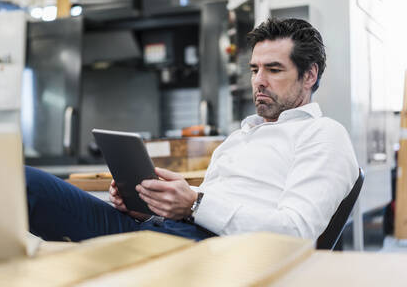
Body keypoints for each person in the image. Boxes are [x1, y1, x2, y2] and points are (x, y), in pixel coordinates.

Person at [26, 18, 358, 242]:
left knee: (27, 188)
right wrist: (148, 203)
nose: (259, 80)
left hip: (213, 252)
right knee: (22, 186)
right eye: (255, 69)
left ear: (310, 75)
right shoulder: (240, 137)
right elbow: (199, 209)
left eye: (274, 69)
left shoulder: (324, 135)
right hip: (167, 231)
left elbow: (296, 232)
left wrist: (195, 204)